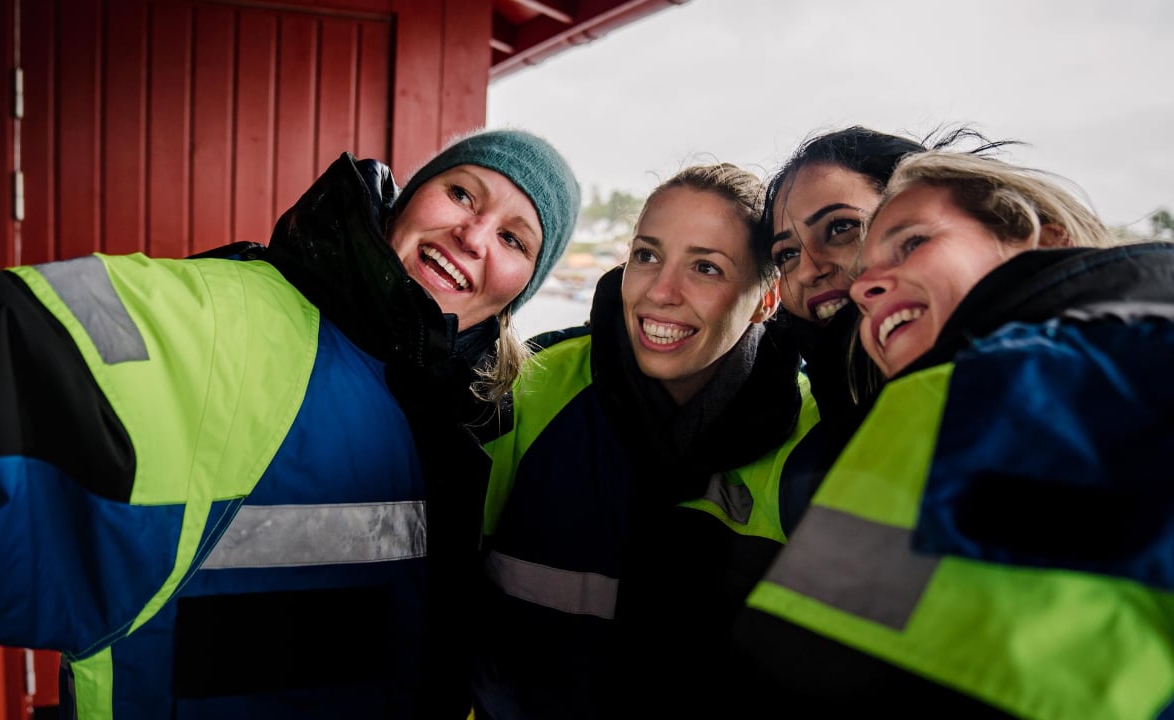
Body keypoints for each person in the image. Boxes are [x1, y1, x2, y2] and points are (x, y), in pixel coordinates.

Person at [0, 128, 579, 720]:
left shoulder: (477, 422)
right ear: (410, 197)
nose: (473, 236)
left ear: (522, 287)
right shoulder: (231, 328)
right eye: (461, 193)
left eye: (513, 238)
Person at [741, 150, 1174, 718]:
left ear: (1045, 241)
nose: (861, 286)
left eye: (911, 243)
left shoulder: (1078, 373)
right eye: (786, 255)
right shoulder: (923, 410)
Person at [472, 163, 817, 718]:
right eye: (647, 255)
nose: (661, 291)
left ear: (766, 300)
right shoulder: (532, 386)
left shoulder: (809, 434)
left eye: (706, 267)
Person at [760, 126, 930, 533]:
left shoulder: (1027, 390)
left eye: (840, 228)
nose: (808, 270)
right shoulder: (783, 436)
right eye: (787, 253)